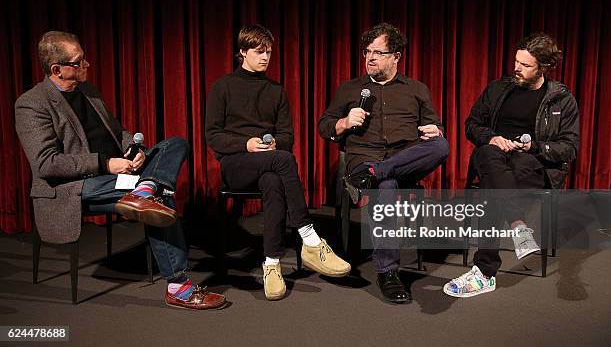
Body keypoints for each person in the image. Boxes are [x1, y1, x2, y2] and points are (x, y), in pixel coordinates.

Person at [15, 31, 226, 310]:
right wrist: (105, 163)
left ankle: (145, 188)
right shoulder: (32, 103)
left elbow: (119, 132)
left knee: (175, 144)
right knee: (162, 195)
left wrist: (133, 150)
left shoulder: (89, 92)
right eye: (79, 62)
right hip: (73, 186)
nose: (87, 65)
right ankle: (178, 287)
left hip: (118, 175)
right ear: (57, 69)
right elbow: (46, 164)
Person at [205, 24, 351, 301]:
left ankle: (272, 265)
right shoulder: (223, 86)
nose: (265, 57)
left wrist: (274, 145)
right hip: (235, 165)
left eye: (269, 52)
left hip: (270, 163)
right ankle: (310, 239)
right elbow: (212, 136)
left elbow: (287, 136)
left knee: (274, 180)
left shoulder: (276, 90)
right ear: (242, 52)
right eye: (259, 52)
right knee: (284, 161)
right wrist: (245, 144)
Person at [318, 23, 449, 303]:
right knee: (386, 185)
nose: (370, 58)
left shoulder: (416, 89)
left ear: (396, 57)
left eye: (378, 52)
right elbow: (324, 125)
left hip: (402, 160)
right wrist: (343, 122)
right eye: (367, 52)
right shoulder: (351, 89)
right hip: (363, 157)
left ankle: (373, 174)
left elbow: (434, 125)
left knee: (441, 145)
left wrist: (433, 129)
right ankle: (388, 271)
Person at [443, 32, 579, 298]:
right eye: (516, 61)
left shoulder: (561, 100)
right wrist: (493, 137)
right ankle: (519, 227)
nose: (517, 68)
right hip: (495, 158)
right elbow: (472, 125)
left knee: (490, 190)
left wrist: (534, 147)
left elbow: (569, 147)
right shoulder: (498, 88)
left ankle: (484, 273)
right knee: (486, 154)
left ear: (543, 67)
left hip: (533, 163)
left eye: (526, 65)